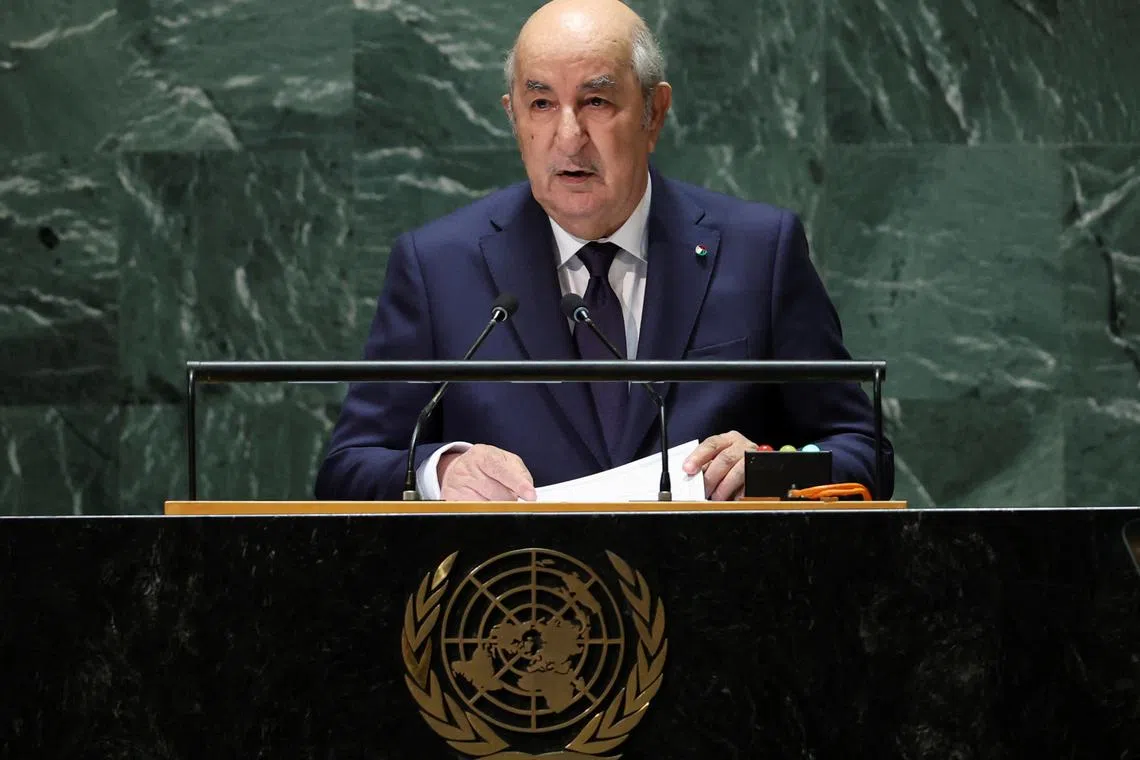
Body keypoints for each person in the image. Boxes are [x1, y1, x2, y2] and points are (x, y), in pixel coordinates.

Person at [315, 0, 893, 502]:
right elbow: (349, 466)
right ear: (512, 116)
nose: (568, 137)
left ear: (653, 113)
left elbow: (861, 451)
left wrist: (770, 470)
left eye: (595, 101)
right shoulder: (438, 265)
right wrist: (439, 470)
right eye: (541, 104)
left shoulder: (760, 253)